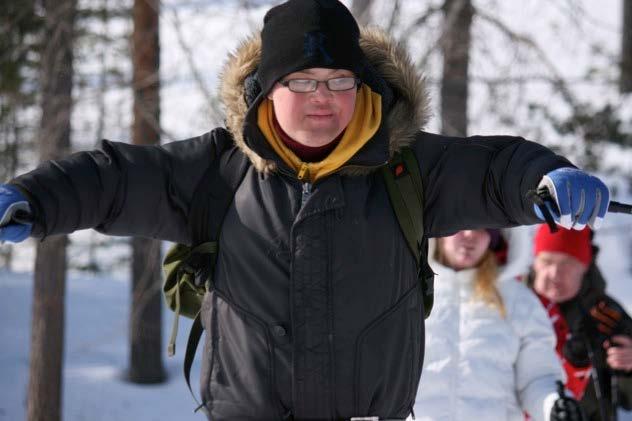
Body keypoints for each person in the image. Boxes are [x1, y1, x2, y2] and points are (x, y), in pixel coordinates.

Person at [0, 0, 611, 419]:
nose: (324, 99)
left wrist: (546, 176)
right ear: (267, 90)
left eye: (339, 80)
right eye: (303, 81)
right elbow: (113, 180)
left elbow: (495, 169)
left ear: (363, 87)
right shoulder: (217, 173)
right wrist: (35, 197)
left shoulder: (408, 170)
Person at [411, 227, 583, 421]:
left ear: (495, 238)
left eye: (483, 227)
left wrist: (553, 405)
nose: (470, 234)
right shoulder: (407, 295)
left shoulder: (518, 300)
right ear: (438, 231)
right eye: (460, 224)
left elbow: (537, 377)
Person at [530, 225, 632, 420]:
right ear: (535, 262)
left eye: (567, 263)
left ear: (584, 267)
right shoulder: (508, 301)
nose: (554, 273)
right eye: (547, 261)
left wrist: (629, 370)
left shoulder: (607, 315)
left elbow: (628, 400)